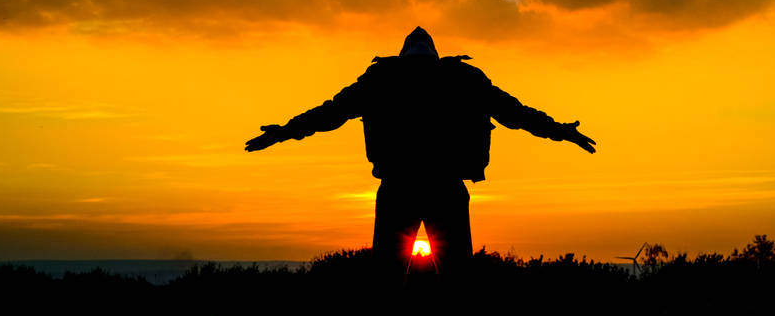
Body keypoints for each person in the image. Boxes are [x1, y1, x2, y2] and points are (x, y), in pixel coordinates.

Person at [245, 26, 596, 284]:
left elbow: (328, 114)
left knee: (387, 278)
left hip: (398, 189)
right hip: (447, 188)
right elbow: (518, 114)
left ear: (402, 54)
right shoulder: (464, 79)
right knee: (458, 279)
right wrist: (562, 131)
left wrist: (282, 133)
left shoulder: (381, 79)